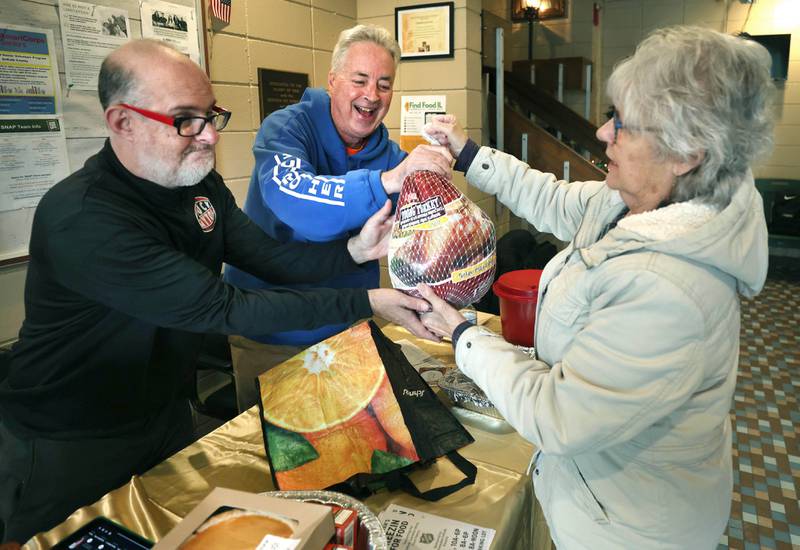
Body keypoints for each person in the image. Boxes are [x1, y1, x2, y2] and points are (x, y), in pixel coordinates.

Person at [0, 39, 436, 544]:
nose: (208, 136)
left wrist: (352, 254)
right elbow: (224, 307)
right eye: (186, 119)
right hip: (69, 439)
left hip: (164, 415)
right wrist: (367, 301)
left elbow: (270, 257)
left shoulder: (200, 187)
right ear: (123, 122)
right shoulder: (85, 219)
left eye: (211, 115)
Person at [418, 26, 773, 549]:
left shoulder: (669, 289)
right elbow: (552, 197)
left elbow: (558, 414)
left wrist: (462, 335)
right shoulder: (637, 202)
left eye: (623, 124)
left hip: (630, 527)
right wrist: (469, 154)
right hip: (596, 493)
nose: (603, 133)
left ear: (687, 152)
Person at [224, 24, 453, 410]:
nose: (371, 95)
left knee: (358, 452)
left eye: (384, 84)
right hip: (273, 332)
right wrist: (386, 182)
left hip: (352, 323)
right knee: (278, 461)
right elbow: (299, 207)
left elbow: (430, 237)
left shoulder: (392, 157)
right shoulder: (286, 129)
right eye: (359, 80)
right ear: (332, 81)